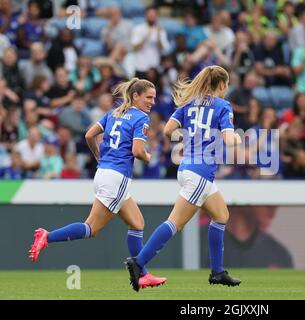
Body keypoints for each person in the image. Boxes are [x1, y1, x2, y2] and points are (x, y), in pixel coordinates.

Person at [125, 66, 242, 291]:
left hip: (188, 167)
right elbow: (228, 140)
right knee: (175, 223)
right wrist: (236, 138)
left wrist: (190, 138)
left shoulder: (189, 103)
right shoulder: (223, 106)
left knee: (221, 215)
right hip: (200, 172)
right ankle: (138, 263)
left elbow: (169, 130)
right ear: (222, 85)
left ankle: (217, 272)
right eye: (226, 86)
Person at [28, 79, 157, 282]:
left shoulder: (114, 113)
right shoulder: (141, 117)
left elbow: (89, 135)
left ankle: (142, 274)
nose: (152, 101)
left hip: (103, 172)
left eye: (154, 97)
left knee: (137, 223)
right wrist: (148, 157)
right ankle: (47, 236)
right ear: (135, 96)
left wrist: (99, 157)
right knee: (91, 228)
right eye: (149, 97)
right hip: (117, 176)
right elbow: (138, 151)